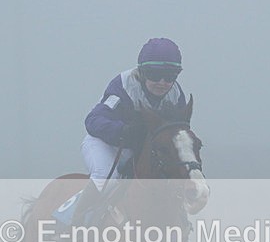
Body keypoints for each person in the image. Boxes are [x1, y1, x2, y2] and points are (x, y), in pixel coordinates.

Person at [70, 38, 188, 226]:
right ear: (142, 72)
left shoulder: (176, 95)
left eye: (170, 76)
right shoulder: (124, 86)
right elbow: (92, 121)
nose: (163, 82)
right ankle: (74, 225)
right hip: (105, 144)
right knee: (106, 177)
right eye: (155, 75)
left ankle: (180, 230)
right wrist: (123, 131)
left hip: (137, 150)